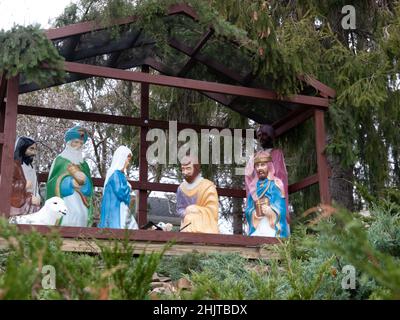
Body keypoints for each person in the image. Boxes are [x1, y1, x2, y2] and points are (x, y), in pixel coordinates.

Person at [46, 126, 93, 227]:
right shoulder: (60, 160)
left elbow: (90, 188)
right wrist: (70, 183)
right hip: (65, 200)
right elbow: (51, 183)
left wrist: (85, 182)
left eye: (81, 143)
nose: (78, 146)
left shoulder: (84, 164)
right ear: (69, 143)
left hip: (81, 200)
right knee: (70, 216)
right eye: (76, 142)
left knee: (81, 215)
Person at [245, 124, 290, 227]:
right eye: (259, 136)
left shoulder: (277, 154)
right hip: (257, 191)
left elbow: (281, 175)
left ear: (270, 136)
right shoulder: (254, 156)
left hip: (273, 194)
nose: (261, 138)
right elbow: (248, 175)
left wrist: (272, 186)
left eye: (264, 135)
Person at [244, 151, 289, 237]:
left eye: (262, 165)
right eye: (257, 165)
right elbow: (248, 209)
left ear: (269, 166)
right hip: (258, 226)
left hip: (272, 228)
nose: (259, 168)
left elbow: (281, 208)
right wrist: (254, 213)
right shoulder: (253, 188)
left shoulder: (276, 184)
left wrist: (271, 211)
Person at [176, 156, 219, 234]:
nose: (185, 172)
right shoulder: (181, 188)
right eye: (183, 169)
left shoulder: (207, 186)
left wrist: (196, 209)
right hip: (187, 224)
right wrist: (186, 212)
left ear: (196, 169)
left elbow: (213, 210)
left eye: (188, 168)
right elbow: (179, 209)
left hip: (205, 225)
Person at [98, 146, 138, 229]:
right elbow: (120, 192)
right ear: (122, 158)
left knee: (131, 227)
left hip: (120, 206)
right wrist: (128, 187)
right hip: (117, 208)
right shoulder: (115, 174)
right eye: (128, 159)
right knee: (129, 227)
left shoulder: (120, 174)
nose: (128, 163)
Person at [10, 137, 41, 215]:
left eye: (35, 149)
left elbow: (35, 187)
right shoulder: (13, 166)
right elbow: (7, 186)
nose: (34, 153)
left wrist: (37, 196)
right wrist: (24, 185)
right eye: (31, 149)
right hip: (18, 204)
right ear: (22, 148)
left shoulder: (31, 168)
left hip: (31, 203)